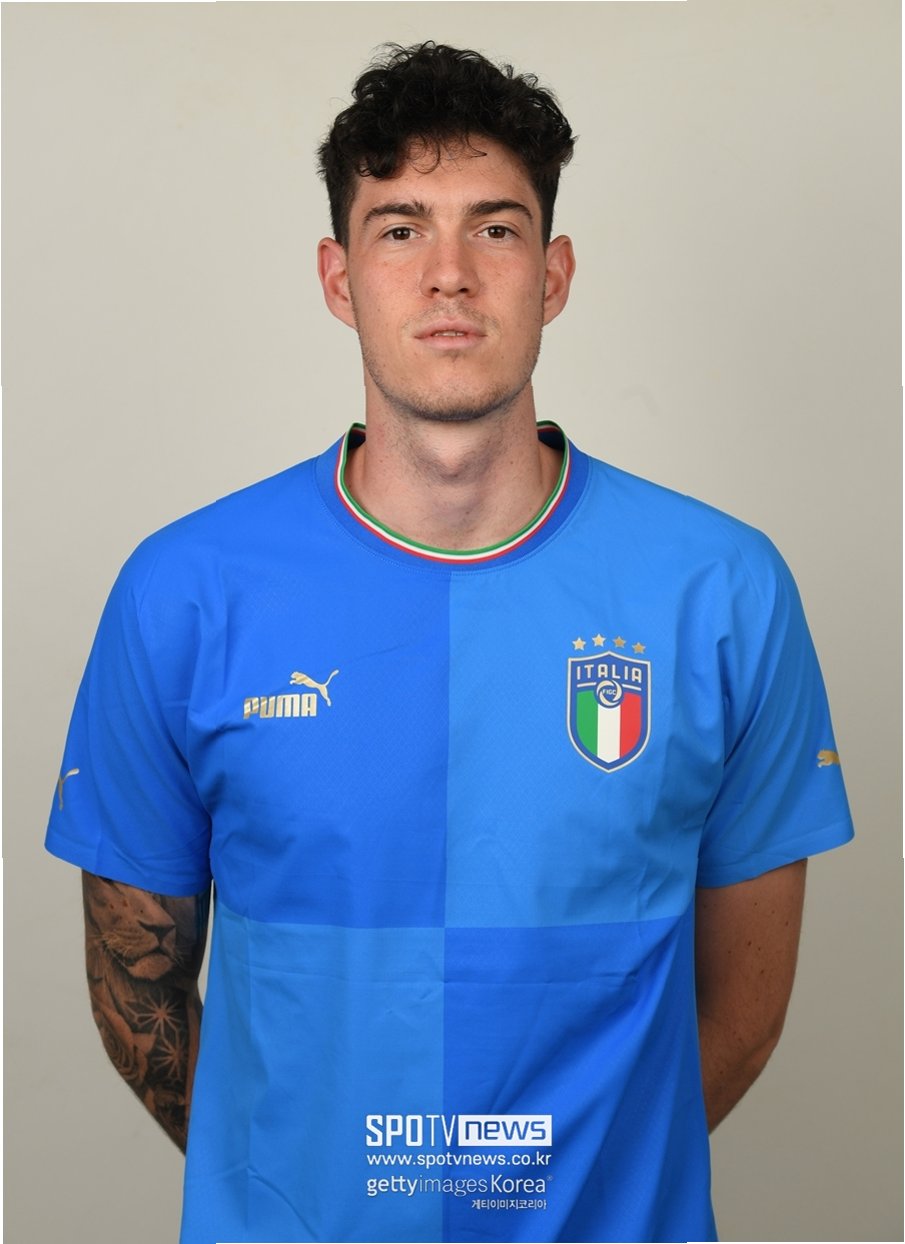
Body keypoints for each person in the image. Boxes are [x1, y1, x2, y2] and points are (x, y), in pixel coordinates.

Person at [46, 41, 854, 1244]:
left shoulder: (720, 589)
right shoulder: (184, 592)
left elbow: (740, 1011)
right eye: (399, 228)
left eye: (495, 228)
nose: (447, 276)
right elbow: (137, 987)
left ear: (553, 273)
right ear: (337, 276)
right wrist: (293, 1192)